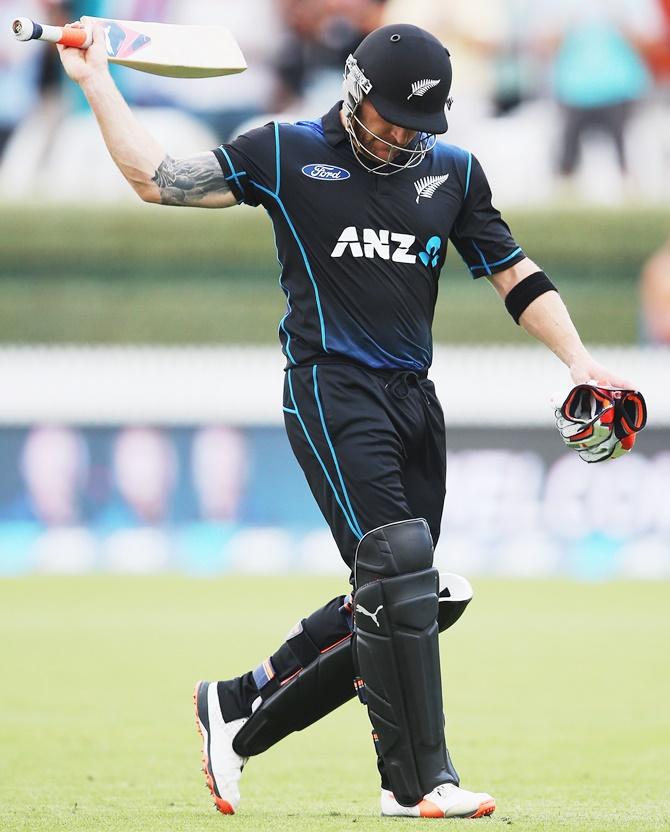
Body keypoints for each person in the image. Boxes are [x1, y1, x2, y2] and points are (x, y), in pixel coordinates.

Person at [57, 20, 634, 820]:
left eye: (418, 126)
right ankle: (424, 781)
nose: (401, 138)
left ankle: (235, 704)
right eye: (390, 118)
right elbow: (157, 178)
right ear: (356, 93)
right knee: (399, 568)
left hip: (412, 399)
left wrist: (579, 360)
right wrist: (95, 80)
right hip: (330, 386)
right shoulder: (285, 151)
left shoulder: (455, 173)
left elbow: (512, 273)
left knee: (415, 596)